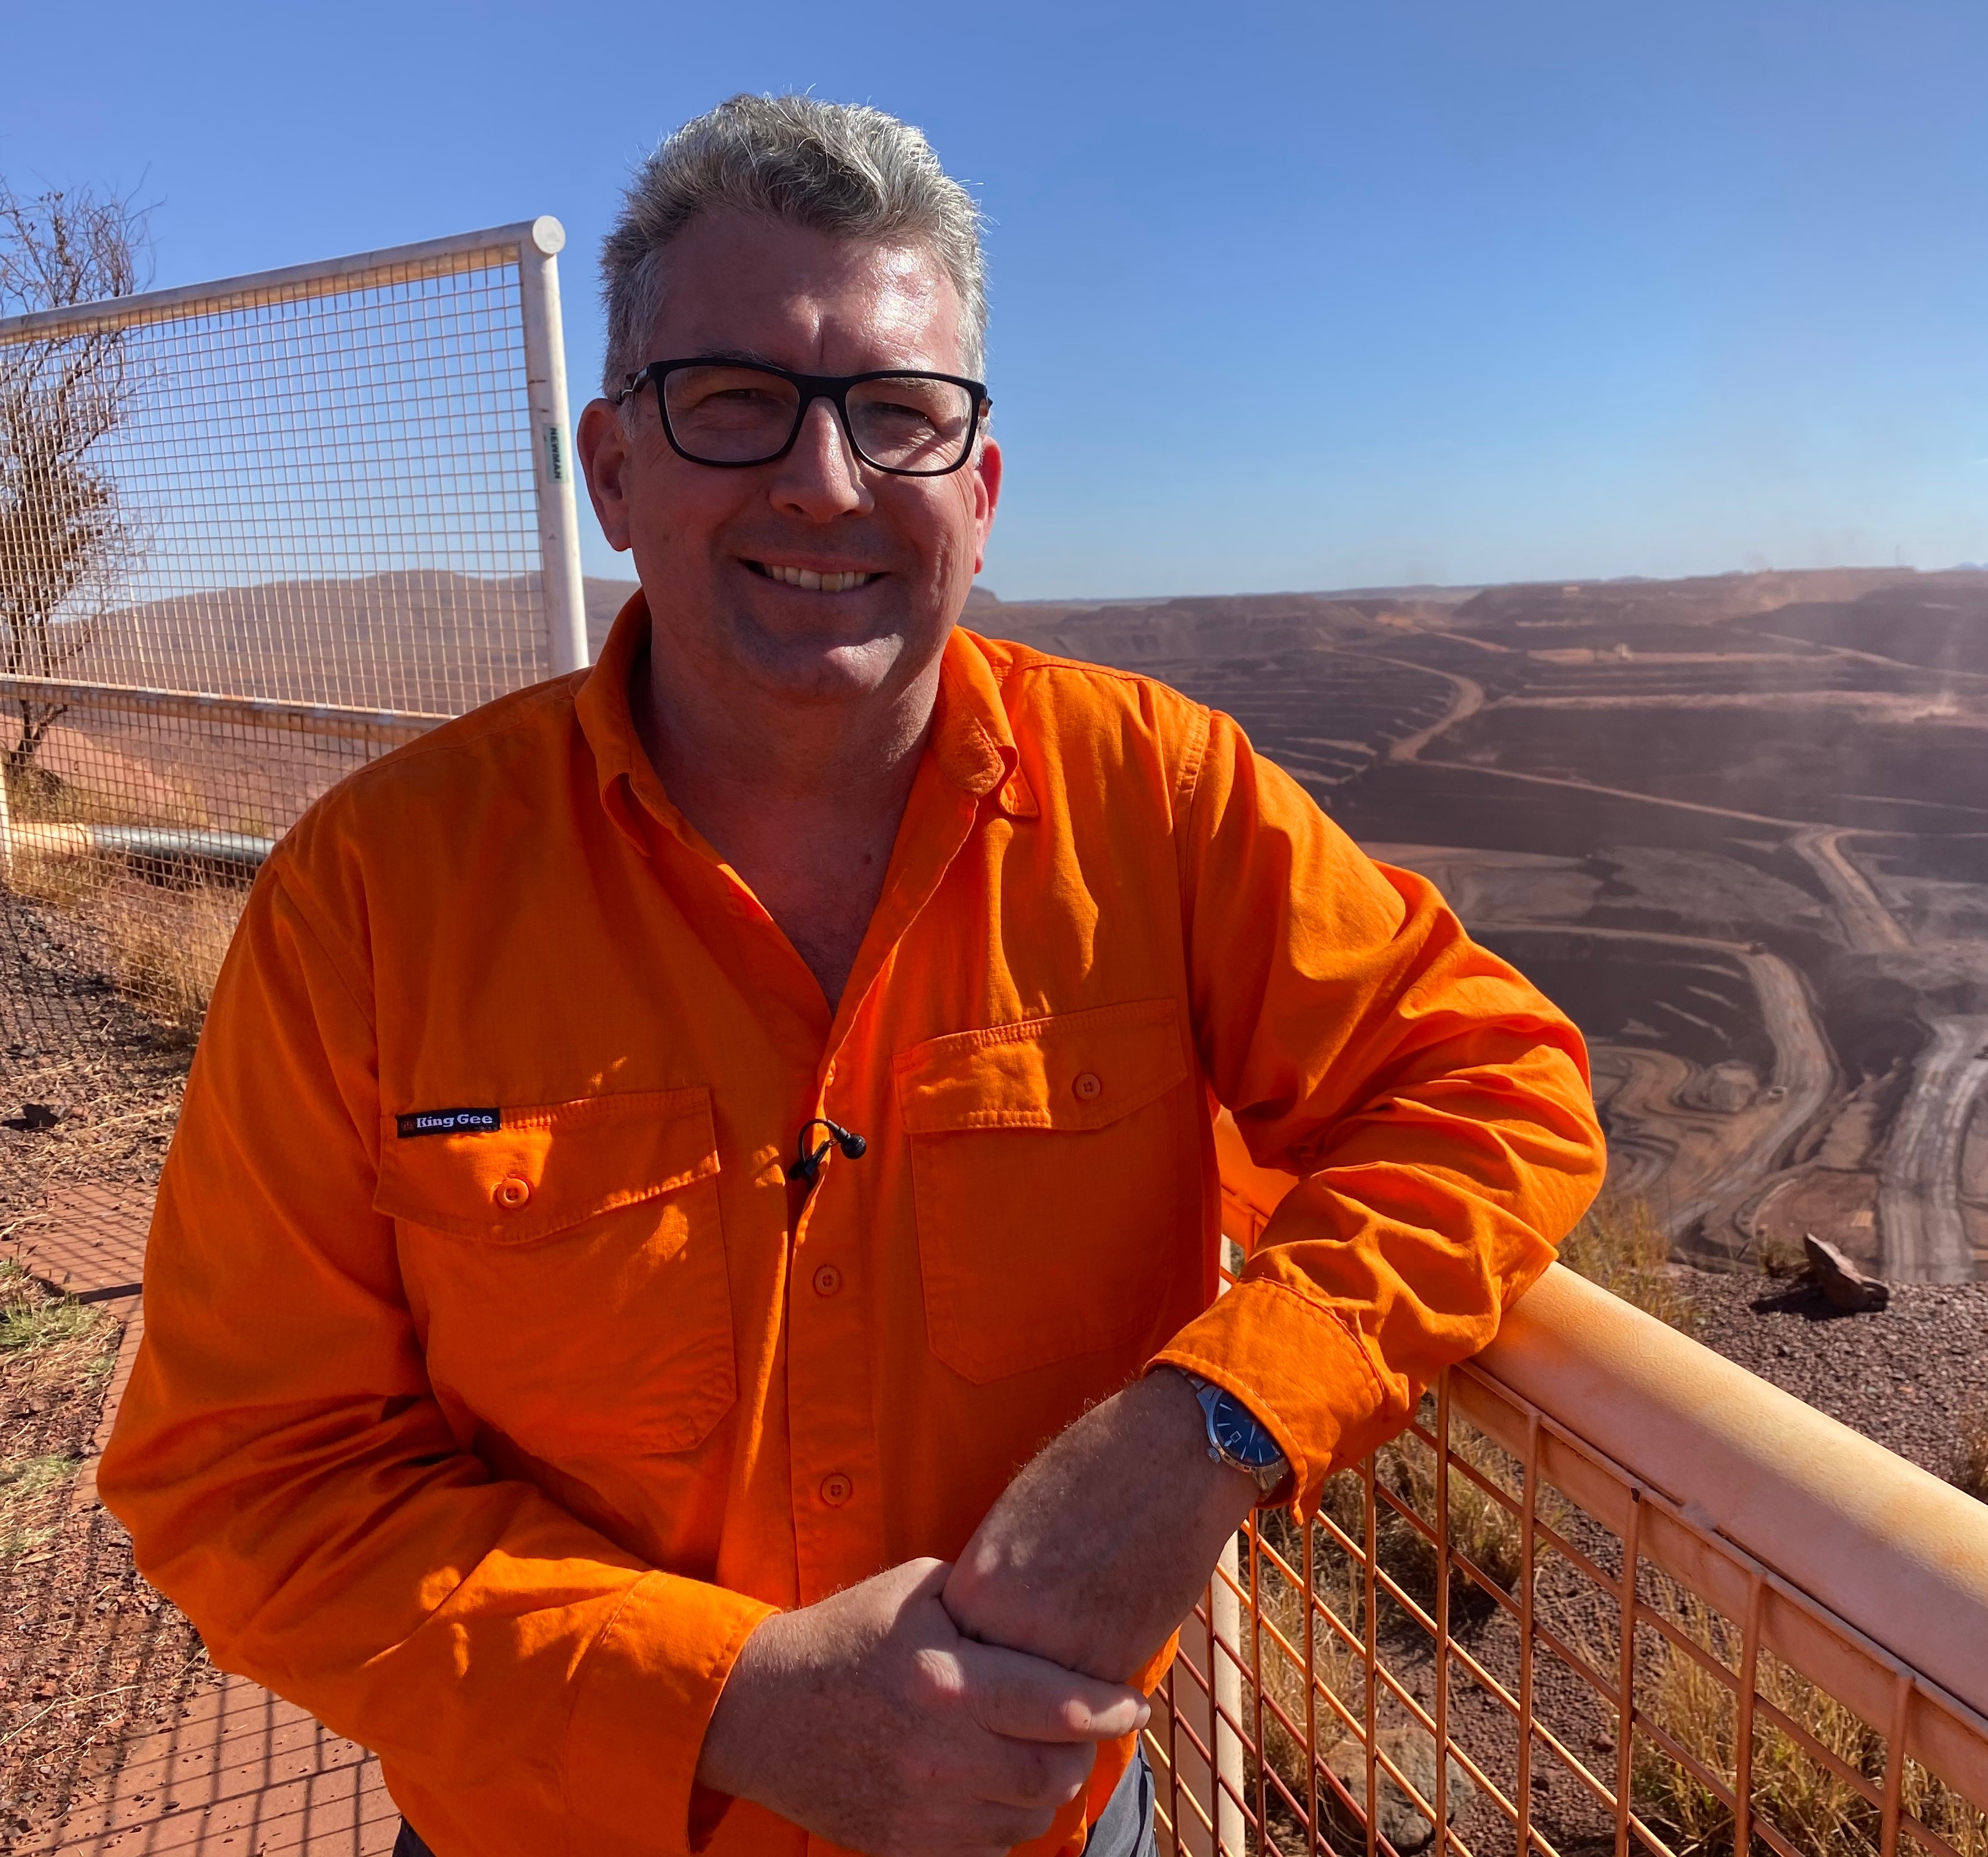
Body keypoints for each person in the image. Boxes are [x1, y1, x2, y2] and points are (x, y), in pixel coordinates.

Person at [99, 94, 1604, 1857]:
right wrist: (729, 1704)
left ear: (978, 488)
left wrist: (1207, 1425)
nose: (826, 481)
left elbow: (1488, 1086)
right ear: (614, 469)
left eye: (899, 415)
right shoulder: (373, 896)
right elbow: (242, 1476)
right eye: (736, 403)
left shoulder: (1160, 799)